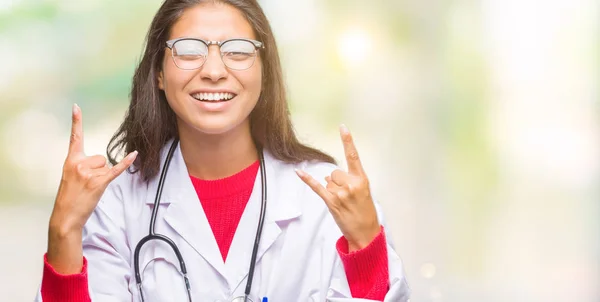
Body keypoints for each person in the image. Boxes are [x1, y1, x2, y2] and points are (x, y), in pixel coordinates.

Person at [35, 0, 410, 301]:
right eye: (188, 50)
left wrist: (365, 248)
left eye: (237, 51)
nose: (214, 70)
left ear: (265, 71)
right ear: (160, 74)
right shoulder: (116, 206)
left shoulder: (331, 199)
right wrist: (64, 232)